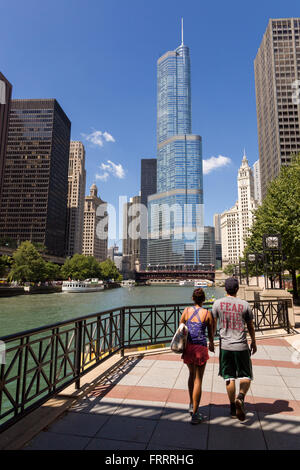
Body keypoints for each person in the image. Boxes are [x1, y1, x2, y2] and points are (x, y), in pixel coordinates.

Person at [212, 277, 257, 421]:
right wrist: (254, 342)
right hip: (241, 345)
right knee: (246, 375)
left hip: (225, 346)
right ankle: (241, 397)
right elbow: (250, 326)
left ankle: (232, 407)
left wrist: (211, 341)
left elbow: (213, 325)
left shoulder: (217, 304)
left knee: (229, 377)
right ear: (237, 289)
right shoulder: (244, 305)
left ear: (225, 289)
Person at [180, 288, 215, 425]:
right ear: (204, 299)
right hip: (201, 348)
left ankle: (190, 403)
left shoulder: (186, 311)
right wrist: (211, 343)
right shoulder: (207, 313)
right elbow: (211, 333)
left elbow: (181, 328)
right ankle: (195, 414)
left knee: (191, 375)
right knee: (198, 379)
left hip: (188, 347)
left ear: (193, 299)